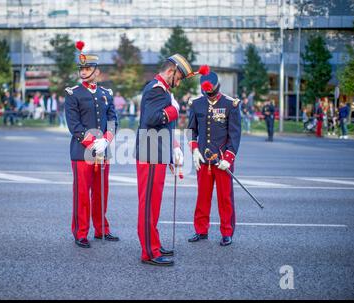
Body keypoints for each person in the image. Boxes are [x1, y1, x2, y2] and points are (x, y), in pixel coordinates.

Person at [135, 53, 209, 266]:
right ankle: (149, 252)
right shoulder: (157, 90)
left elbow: (161, 126)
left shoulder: (161, 90)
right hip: (150, 154)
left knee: (153, 205)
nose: (178, 83)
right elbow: (152, 119)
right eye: (178, 78)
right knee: (149, 205)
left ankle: (153, 244)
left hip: (155, 152)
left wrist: (174, 147)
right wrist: (174, 110)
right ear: (171, 72)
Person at [65, 40, 120, 249]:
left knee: (101, 193)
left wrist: (106, 140)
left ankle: (101, 229)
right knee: (82, 195)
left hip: (103, 151)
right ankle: (80, 232)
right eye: (82, 68)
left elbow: (114, 120)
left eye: (88, 68)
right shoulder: (73, 94)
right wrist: (92, 142)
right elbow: (74, 125)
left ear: (96, 71)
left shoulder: (106, 94)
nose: (84, 71)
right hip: (82, 152)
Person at [186, 70, 241, 247]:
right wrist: (194, 150)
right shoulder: (196, 104)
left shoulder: (230, 105)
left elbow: (234, 135)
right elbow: (191, 130)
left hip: (222, 161)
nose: (210, 97)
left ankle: (227, 231)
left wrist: (228, 158)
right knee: (202, 196)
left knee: (225, 198)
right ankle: (201, 230)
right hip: (203, 159)